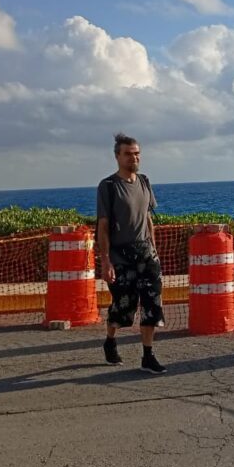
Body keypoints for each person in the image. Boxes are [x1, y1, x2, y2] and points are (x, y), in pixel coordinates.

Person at [96, 132, 167, 374]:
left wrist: (154, 251)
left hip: (146, 254)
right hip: (120, 256)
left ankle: (148, 356)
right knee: (123, 307)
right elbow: (103, 226)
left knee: (152, 305)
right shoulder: (108, 186)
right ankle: (110, 340)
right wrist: (106, 261)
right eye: (128, 154)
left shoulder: (145, 182)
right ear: (117, 156)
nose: (133, 158)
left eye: (137, 153)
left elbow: (148, 218)